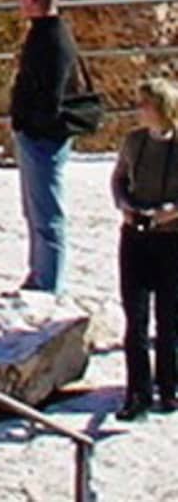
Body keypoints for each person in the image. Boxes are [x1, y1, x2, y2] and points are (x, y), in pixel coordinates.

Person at [111, 76, 178, 420]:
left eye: (146, 104)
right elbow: (119, 178)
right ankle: (137, 392)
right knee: (135, 320)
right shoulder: (133, 142)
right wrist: (124, 204)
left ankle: (170, 386)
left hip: (171, 239)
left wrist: (172, 211)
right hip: (136, 236)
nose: (140, 110)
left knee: (168, 320)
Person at [9, 0, 80, 294]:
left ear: (34, 1)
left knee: (47, 213)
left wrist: (29, 124)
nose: (19, 2)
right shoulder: (44, 33)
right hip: (35, 134)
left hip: (43, 138)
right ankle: (38, 273)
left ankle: (49, 283)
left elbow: (48, 95)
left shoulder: (52, 40)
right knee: (34, 209)